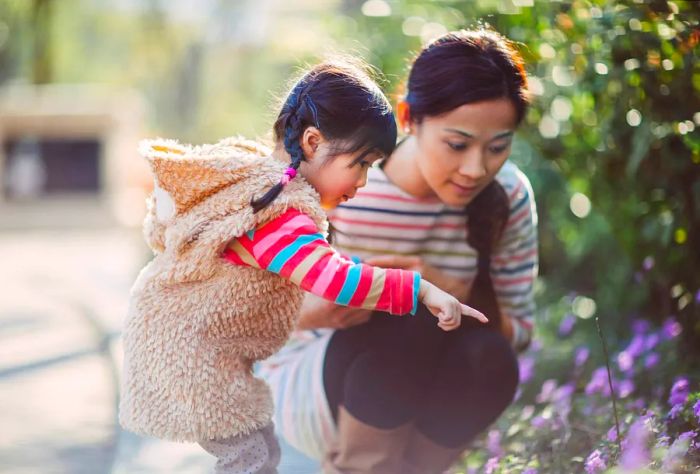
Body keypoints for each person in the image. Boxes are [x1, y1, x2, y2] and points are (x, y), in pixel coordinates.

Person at [118, 60, 487, 474]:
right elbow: (336, 281)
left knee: (260, 453)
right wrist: (420, 289)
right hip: (191, 356)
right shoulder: (277, 209)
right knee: (249, 460)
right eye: (361, 163)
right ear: (313, 142)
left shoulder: (259, 185)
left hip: (189, 345)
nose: (364, 181)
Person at [258, 28, 538, 474]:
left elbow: (519, 332)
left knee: (486, 356)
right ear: (409, 117)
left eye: (498, 147)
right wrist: (324, 307)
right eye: (457, 144)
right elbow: (246, 312)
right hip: (315, 384)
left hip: (431, 396)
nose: (476, 168)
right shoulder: (345, 185)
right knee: (405, 319)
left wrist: (441, 290)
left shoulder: (507, 198)